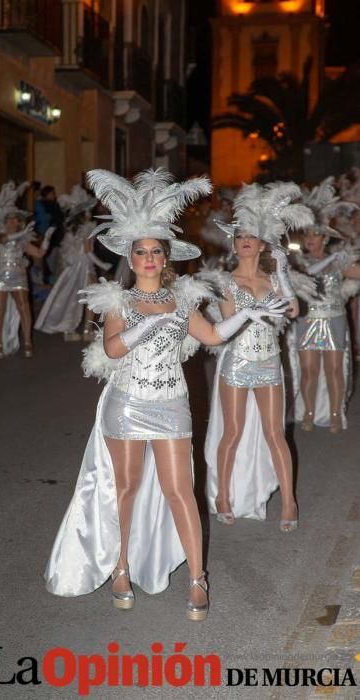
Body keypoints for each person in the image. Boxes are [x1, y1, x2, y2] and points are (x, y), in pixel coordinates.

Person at [44, 168, 288, 620]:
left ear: (166, 257)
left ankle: (198, 578)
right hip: (128, 403)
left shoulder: (182, 299)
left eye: (157, 251)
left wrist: (251, 315)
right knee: (127, 489)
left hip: (172, 406)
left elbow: (213, 336)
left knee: (181, 490)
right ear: (131, 259)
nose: (150, 258)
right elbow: (113, 347)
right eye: (142, 252)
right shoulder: (118, 301)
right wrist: (146, 327)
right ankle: (121, 567)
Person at [201, 182, 315, 529]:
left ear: (263, 243)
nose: (245, 241)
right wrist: (254, 312)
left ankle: (289, 503)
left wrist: (281, 271)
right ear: (233, 244)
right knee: (232, 433)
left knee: (275, 433)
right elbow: (227, 328)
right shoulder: (225, 281)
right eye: (239, 236)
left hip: (269, 363)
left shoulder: (272, 277)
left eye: (251, 236)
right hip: (237, 363)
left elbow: (293, 310)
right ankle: (222, 496)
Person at [287, 177, 360, 432]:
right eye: (307, 234)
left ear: (325, 239)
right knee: (309, 370)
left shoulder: (339, 261)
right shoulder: (298, 263)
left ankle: (335, 413)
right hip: (307, 321)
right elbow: (300, 280)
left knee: (334, 369)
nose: (310, 239)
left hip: (334, 319)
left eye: (315, 235)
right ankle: (307, 412)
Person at [0, 181, 53, 358]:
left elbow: (39, 253)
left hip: (19, 275)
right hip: (1, 276)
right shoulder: (0, 234)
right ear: (3, 221)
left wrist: (47, 239)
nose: (12, 221)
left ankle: (28, 341)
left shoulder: (23, 239)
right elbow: (4, 240)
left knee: (24, 307)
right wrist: (22, 233)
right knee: (0, 309)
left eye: (15, 219)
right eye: (9, 219)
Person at [35, 184, 111, 341]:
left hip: (73, 265)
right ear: (84, 213)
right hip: (84, 264)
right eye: (89, 210)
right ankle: (86, 330)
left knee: (72, 296)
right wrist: (103, 265)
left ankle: (71, 330)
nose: (91, 213)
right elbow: (88, 251)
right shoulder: (88, 227)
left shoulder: (72, 228)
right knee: (91, 296)